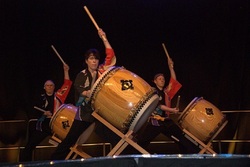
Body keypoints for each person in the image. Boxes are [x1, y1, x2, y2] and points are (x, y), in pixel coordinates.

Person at [51, 28, 116, 160]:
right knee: (70, 139)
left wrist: (104, 38)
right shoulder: (82, 75)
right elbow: (83, 92)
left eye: (96, 59)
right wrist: (90, 92)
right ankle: (53, 161)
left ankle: (124, 158)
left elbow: (110, 54)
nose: (95, 61)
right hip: (85, 113)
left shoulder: (101, 71)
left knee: (113, 135)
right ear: (86, 61)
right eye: (92, 59)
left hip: (100, 112)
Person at [135, 57, 199, 154]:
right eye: (159, 79)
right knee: (143, 141)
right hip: (155, 121)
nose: (162, 80)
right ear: (155, 81)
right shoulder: (153, 92)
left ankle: (193, 153)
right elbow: (159, 106)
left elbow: (173, 81)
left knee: (180, 136)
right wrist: (172, 110)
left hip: (166, 121)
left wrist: (171, 67)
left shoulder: (166, 92)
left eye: (163, 79)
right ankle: (133, 156)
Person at [19, 64, 72, 162]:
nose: (49, 87)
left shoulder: (59, 96)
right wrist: (43, 114)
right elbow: (34, 112)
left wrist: (66, 71)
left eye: (51, 85)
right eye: (47, 85)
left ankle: (62, 162)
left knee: (66, 144)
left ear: (54, 87)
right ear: (44, 87)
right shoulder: (39, 99)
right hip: (44, 125)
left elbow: (67, 84)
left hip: (56, 125)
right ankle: (24, 163)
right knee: (30, 145)